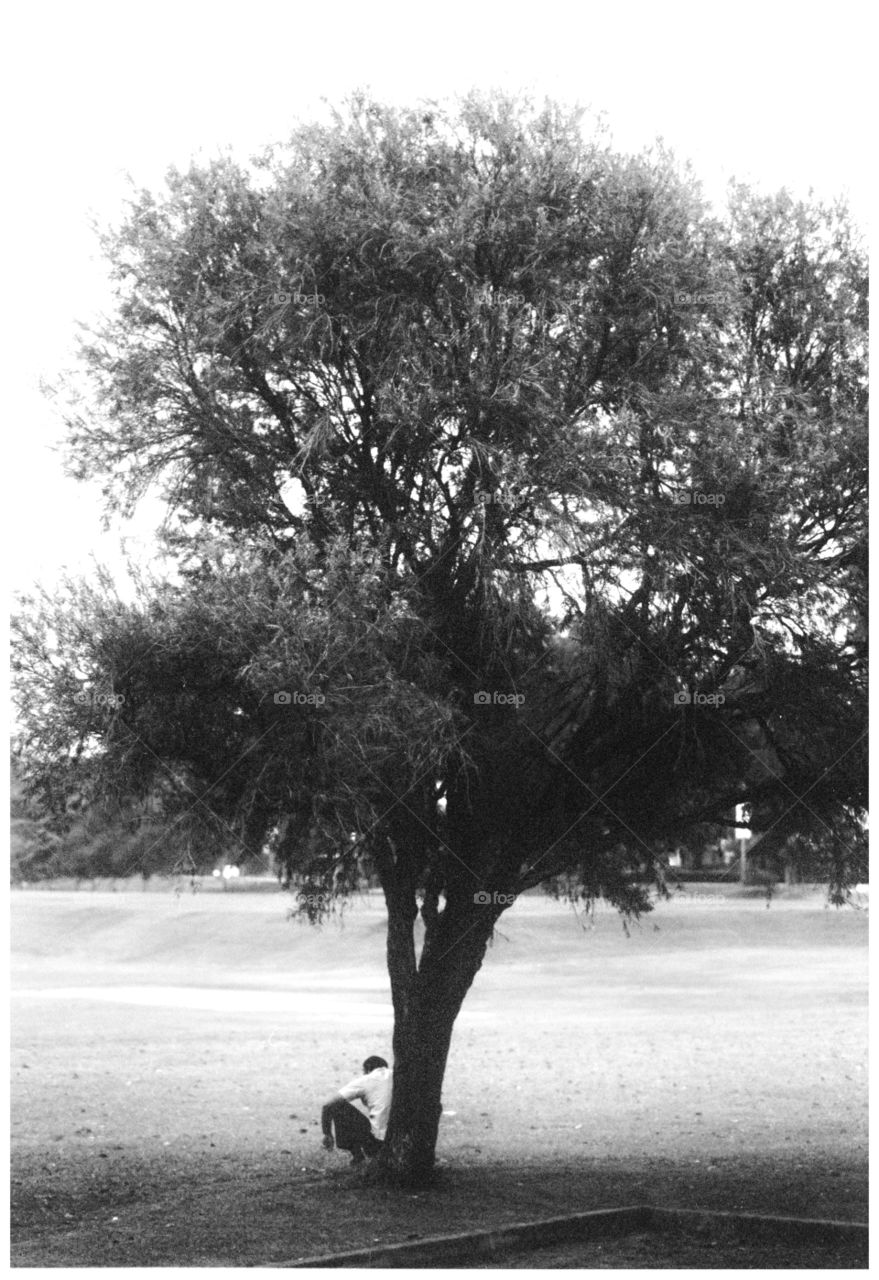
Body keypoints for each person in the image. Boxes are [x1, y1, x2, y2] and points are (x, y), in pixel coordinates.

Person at [321, 1055, 392, 1164]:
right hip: (403, 1140)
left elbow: (328, 1105)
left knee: (339, 1106)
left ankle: (357, 1155)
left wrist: (327, 1134)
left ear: (368, 1070)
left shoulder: (366, 1080)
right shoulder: (399, 1077)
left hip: (378, 1143)